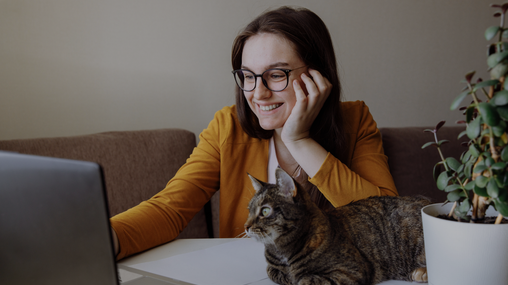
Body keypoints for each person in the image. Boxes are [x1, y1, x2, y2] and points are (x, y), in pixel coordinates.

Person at [111, 6, 397, 260]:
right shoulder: (227, 126)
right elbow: (169, 210)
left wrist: (299, 140)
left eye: (276, 75)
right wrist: (102, 237)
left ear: (316, 77)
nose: (258, 93)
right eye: (248, 76)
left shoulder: (356, 120)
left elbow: (388, 225)